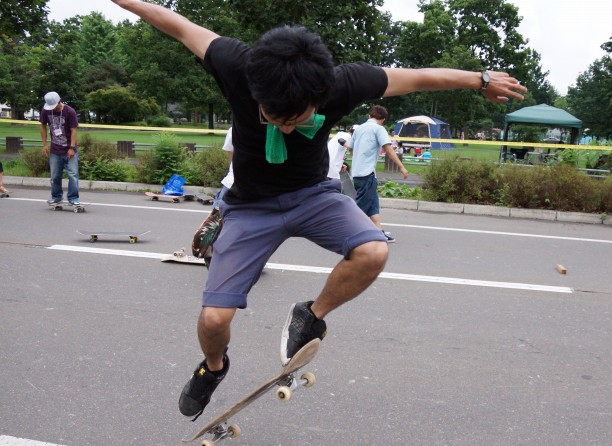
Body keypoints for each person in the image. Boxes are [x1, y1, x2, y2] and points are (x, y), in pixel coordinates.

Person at [111, 0, 527, 421]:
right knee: (215, 318)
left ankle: (311, 316)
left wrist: (481, 79)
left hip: (313, 195)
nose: (285, 128)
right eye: (273, 118)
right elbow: (175, 23)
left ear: (319, 96)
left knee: (374, 251)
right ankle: (214, 369)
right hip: (249, 207)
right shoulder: (236, 64)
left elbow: (418, 77)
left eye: (296, 119)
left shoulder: (342, 83)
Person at [350, 105, 409, 243]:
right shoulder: (378, 129)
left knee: (373, 206)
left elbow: (350, 148)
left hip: (357, 172)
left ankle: (378, 233)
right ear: (382, 119)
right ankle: (348, 231)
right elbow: (388, 149)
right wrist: (401, 167)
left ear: (370, 115)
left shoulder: (359, 129)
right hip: (367, 174)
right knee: (360, 208)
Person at [191, 127, 234, 263]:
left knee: (219, 222)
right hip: (238, 184)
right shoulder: (272, 128)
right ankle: (210, 252)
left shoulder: (236, 128)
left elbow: (230, 157)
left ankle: (209, 252)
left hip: (233, 183)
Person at [40, 92, 80, 205]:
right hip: (55, 149)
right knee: (55, 175)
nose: (54, 108)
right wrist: (44, 145)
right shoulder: (46, 110)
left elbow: (74, 130)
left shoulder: (70, 111)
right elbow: (42, 126)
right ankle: (56, 197)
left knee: (73, 175)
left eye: (55, 105)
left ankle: (73, 198)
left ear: (60, 100)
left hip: (69, 148)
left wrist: (72, 148)